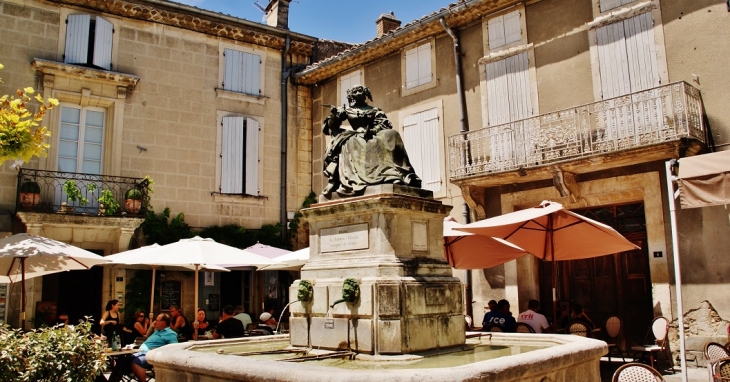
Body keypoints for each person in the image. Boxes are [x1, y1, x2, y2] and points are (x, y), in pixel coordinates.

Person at [321, 85, 422, 197]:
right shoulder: (347, 110)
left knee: (392, 134)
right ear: (351, 95)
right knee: (355, 142)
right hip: (355, 136)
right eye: (355, 91)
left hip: (373, 133)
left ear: (366, 93)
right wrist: (335, 116)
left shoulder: (374, 110)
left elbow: (383, 123)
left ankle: (396, 174)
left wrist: (373, 130)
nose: (359, 92)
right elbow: (330, 127)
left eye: (361, 90)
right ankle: (367, 177)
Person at [108, 313, 178, 382]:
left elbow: (175, 348)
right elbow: (146, 335)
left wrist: (159, 351)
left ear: (163, 322)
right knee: (121, 361)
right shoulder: (157, 331)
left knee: (137, 362)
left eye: (157, 320)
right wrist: (151, 326)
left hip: (150, 355)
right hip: (139, 352)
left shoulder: (171, 334)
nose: (154, 322)